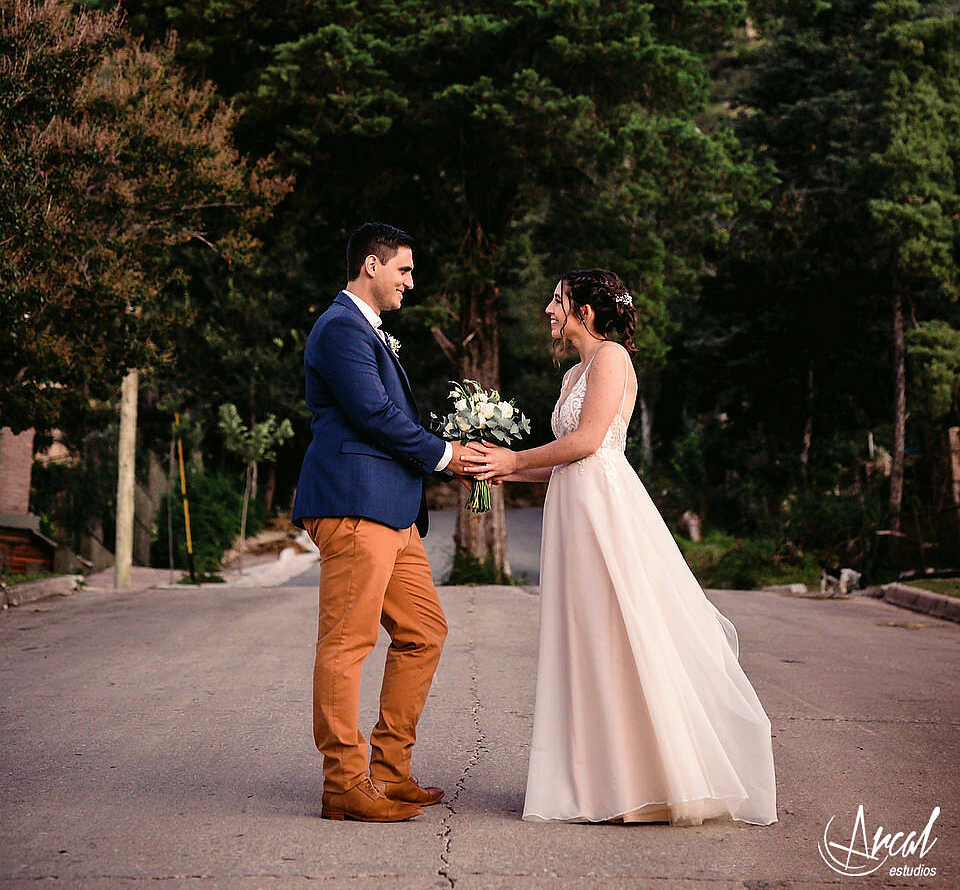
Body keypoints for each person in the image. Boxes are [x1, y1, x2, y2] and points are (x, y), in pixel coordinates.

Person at [467, 269, 778, 826]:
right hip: (571, 507)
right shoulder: (571, 377)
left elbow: (589, 443)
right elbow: (566, 458)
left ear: (586, 312)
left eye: (558, 300)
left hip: (604, 512)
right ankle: (594, 780)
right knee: (583, 638)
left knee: (619, 633)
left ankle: (648, 781)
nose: (547, 309)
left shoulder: (612, 358)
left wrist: (516, 458)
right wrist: (500, 470)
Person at [292, 222, 473, 823]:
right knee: (347, 644)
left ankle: (389, 771)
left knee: (423, 630)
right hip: (353, 504)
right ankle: (344, 782)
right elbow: (371, 414)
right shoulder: (341, 328)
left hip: (394, 511)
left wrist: (448, 449)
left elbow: (387, 413)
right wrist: (445, 456)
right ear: (372, 266)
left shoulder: (370, 332)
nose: (410, 282)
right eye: (404, 270)